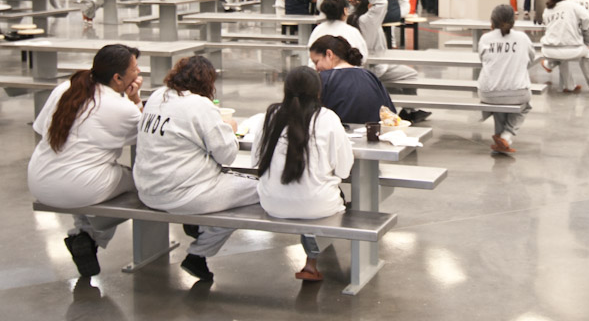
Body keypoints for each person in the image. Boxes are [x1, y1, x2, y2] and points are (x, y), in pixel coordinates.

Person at [134, 56, 259, 282]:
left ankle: (196, 223)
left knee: (226, 186)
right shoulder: (200, 105)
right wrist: (229, 130)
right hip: (184, 194)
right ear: (207, 82)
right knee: (262, 190)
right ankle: (199, 252)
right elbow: (227, 155)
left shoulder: (156, 96)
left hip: (147, 190)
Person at [27, 44, 143, 278]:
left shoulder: (65, 88)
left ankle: (82, 234)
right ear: (118, 78)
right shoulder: (120, 107)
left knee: (89, 177)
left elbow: (41, 128)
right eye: (135, 69)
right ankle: (91, 238)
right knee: (146, 187)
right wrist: (135, 98)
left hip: (39, 180)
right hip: (81, 187)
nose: (139, 72)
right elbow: (144, 134)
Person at [253, 67, 353, 282]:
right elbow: (344, 169)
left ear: (285, 90)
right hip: (318, 206)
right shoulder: (327, 119)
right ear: (318, 91)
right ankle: (310, 263)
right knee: (327, 196)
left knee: (306, 194)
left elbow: (255, 161)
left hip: (272, 204)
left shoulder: (269, 116)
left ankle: (311, 263)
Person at [348, 0, 431, 123]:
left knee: (398, 83)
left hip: (367, 66)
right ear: (369, 5)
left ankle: (407, 108)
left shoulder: (353, 19)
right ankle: (410, 111)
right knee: (411, 75)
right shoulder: (368, 20)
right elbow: (382, 2)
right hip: (374, 68)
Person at [478, 5, 535, 154]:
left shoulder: (485, 38)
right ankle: (507, 135)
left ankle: (500, 138)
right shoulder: (522, 38)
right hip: (517, 92)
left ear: (492, 21)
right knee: (525, 104)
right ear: (513, 20)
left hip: (487, 93)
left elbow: (482, 60)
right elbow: (531, 58)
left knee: (498, 97)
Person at [309, 35, 395, 126]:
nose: (316, 68)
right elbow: (389, 113)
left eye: (316, 62)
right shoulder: (370, 76)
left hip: (339, 136)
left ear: (329, 54)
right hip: (373, 135)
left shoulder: (322, 79)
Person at [540, 0, 589, 93]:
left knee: (562, 60)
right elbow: (588, 23)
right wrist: (587, 41)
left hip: (548, 49)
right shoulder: (573, 6)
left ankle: (568, 85)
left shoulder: (547, 10)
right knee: (587, 55)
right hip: (571, 48)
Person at [308, 0, 368, 64]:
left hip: (319, 72)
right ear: (345, 10)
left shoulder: (318, 30)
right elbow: (362, 57)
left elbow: (310, 54)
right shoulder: (352, 31)